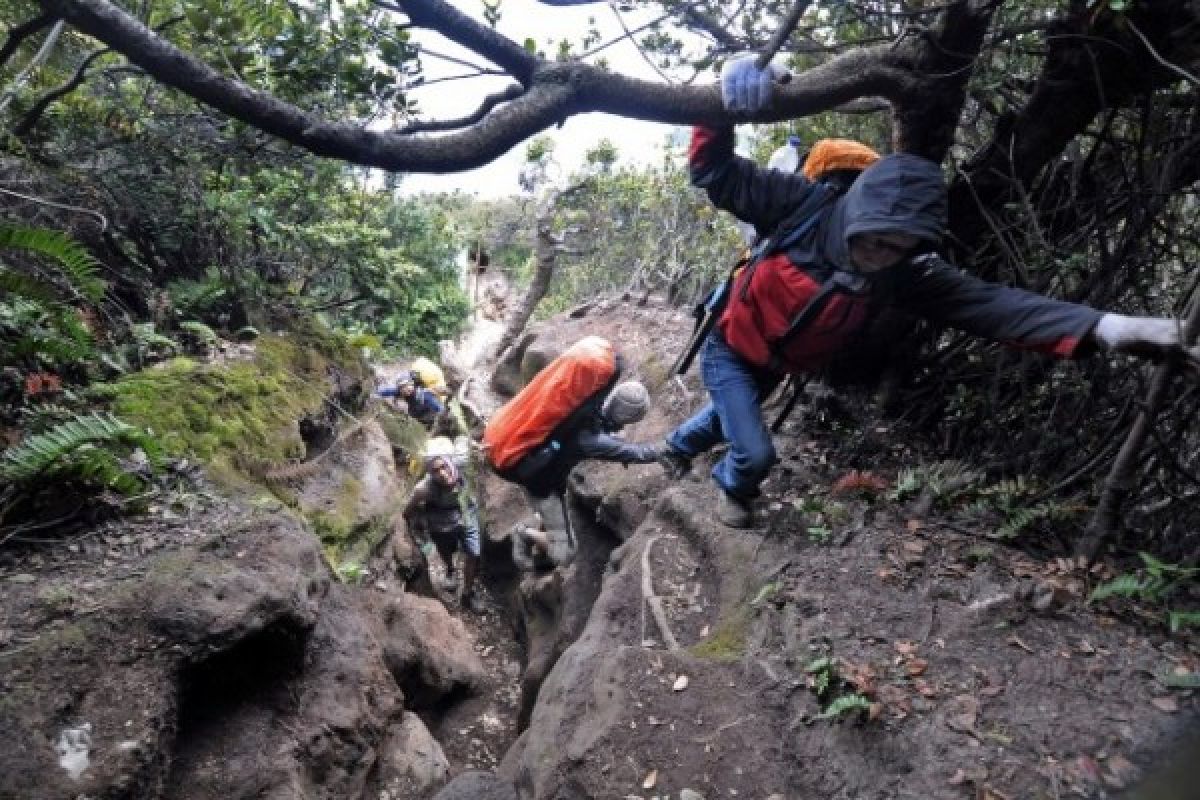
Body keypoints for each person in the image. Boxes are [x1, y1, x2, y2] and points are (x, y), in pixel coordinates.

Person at [659, 54, 1199, 529]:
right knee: (754, 450)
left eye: (896, 248)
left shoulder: (904, 274)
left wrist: (1105, 327)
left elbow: (994, 308)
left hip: (777, 363)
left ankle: (673, 450)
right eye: (873, 241)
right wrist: (723, 100)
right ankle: (734, 488)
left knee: (732, 413)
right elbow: (715, 173)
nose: (879, 255)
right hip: (731, 343)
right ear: (857, 215)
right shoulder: (798, 206)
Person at [506, 379, 661, 572]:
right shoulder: (593, 439)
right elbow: (638, 453)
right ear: (628, 418)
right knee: (566, 554)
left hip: (535, 469)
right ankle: (523, 533)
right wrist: (673, 446)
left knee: (554, 510)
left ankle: (542, 529)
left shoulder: (587, 408)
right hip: (542, 488)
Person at [403, 440, 484, 612]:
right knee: (446, 549)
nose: (442, 473)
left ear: (450, 462)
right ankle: (450, 569)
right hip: (440, 521)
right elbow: (408, 509)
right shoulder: (424, 489)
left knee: (474, 553)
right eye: (435, 470)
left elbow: (470, 444)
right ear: (430, 473)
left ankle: (468, 594)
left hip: (466, 511)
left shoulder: (463, 464)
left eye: (443, 467)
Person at [378, 371, 444, 429]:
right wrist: (374, 393)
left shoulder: (424, 395)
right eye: (402, 387)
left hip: (429, 420)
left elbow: (440, 410)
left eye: (407, 386)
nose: (405, 389)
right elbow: (386, 391)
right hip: (417, 418)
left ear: (412, 385)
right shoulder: (400, 391)